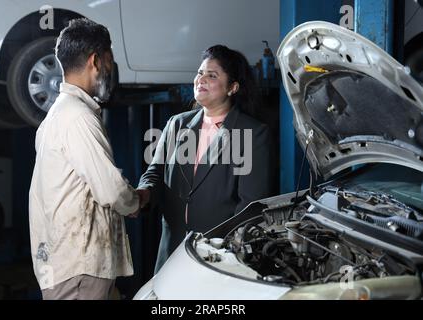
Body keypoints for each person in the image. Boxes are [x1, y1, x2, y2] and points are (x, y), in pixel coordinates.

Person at [28, 18, 140, 300]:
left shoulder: (56, 115)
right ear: (96, 60)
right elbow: (112, 191)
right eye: (110, 60)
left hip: (66, 263)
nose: (111, 68)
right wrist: (139, 200)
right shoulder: (78, 117)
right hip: (80, 266)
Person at [137, 44, 273, 272]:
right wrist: (143, 193)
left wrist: (223, 249)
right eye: (200, 73)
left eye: (212, 75)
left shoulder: (252, 134)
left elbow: (250, 207)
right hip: (171, 252)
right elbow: (155, 172)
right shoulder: (176, 125)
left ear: (233, 87)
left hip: (218, 258)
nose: (201, 79)